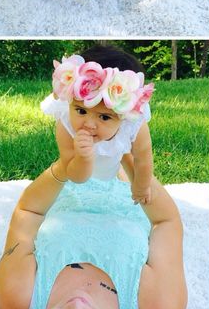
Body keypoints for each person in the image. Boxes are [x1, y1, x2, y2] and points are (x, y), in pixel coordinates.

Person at [0, 75, 187, 309]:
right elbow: (166, 222)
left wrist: (64, 167)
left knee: (87, 110)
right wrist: (129, 158)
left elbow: (29, 213)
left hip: (69, 188)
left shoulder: (16, 297)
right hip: (127, 196)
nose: (77, 306)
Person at [41, 45, 154, 203]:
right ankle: (115, 162)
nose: (89, 124)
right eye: (81, 111)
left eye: (104, 117)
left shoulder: (134, 125)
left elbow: (143, 158)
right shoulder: (66, 124)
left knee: (123, 157)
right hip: (77, 169)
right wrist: (83, 157)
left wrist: (141, 187)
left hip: (113, 157)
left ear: (124, 115)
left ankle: (121, 167)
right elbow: (75, 178)